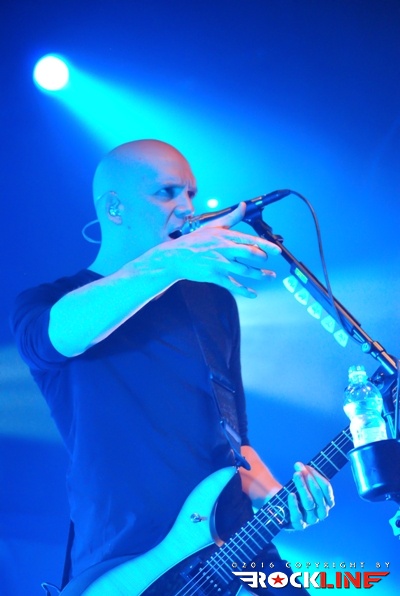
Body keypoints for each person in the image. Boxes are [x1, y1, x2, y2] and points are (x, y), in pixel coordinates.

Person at [11, 140, 334, 595]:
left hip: (232, 547)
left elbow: (234, 444)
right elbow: (57, 336)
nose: (186, 208)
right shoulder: (50, 302)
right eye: (167, 192)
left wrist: (282, 499)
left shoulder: (212, 301)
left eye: (191, 193)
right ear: (115, 208)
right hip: (126, 562)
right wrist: (170, 263)